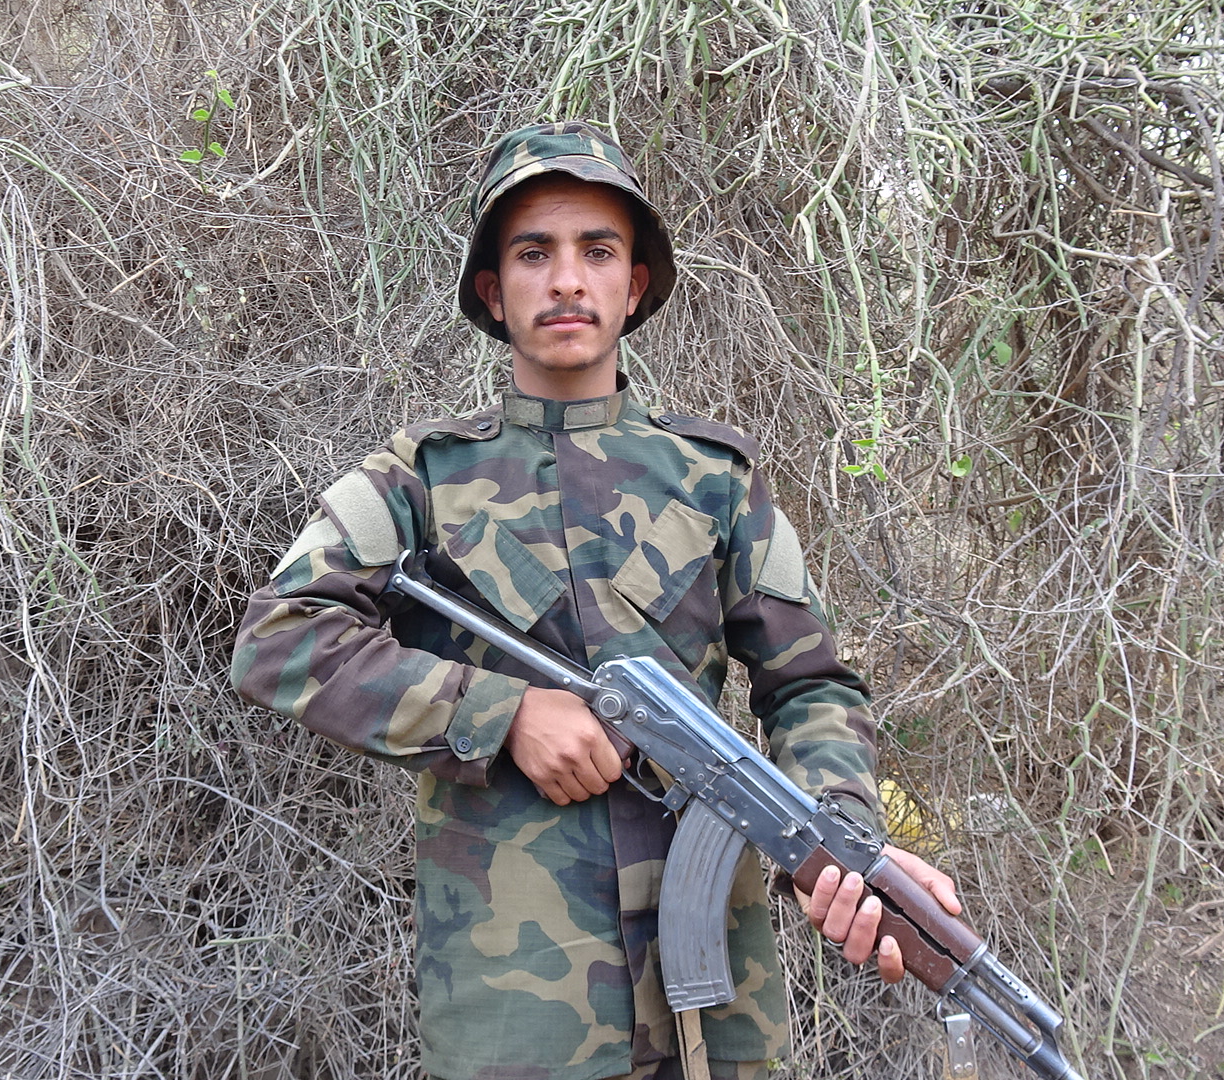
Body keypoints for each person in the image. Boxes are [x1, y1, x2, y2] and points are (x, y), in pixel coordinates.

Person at [232, 120, 960, 1080]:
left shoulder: (717, 478)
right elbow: (279, 636)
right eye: (534, 253)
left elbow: (812, 686)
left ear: (636, 285)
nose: (568, 280)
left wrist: (840, 840)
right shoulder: (420, 477)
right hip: (519, 1009)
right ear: (493, 291)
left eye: (598, 252)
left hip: (719, 1009)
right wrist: (500, 714)